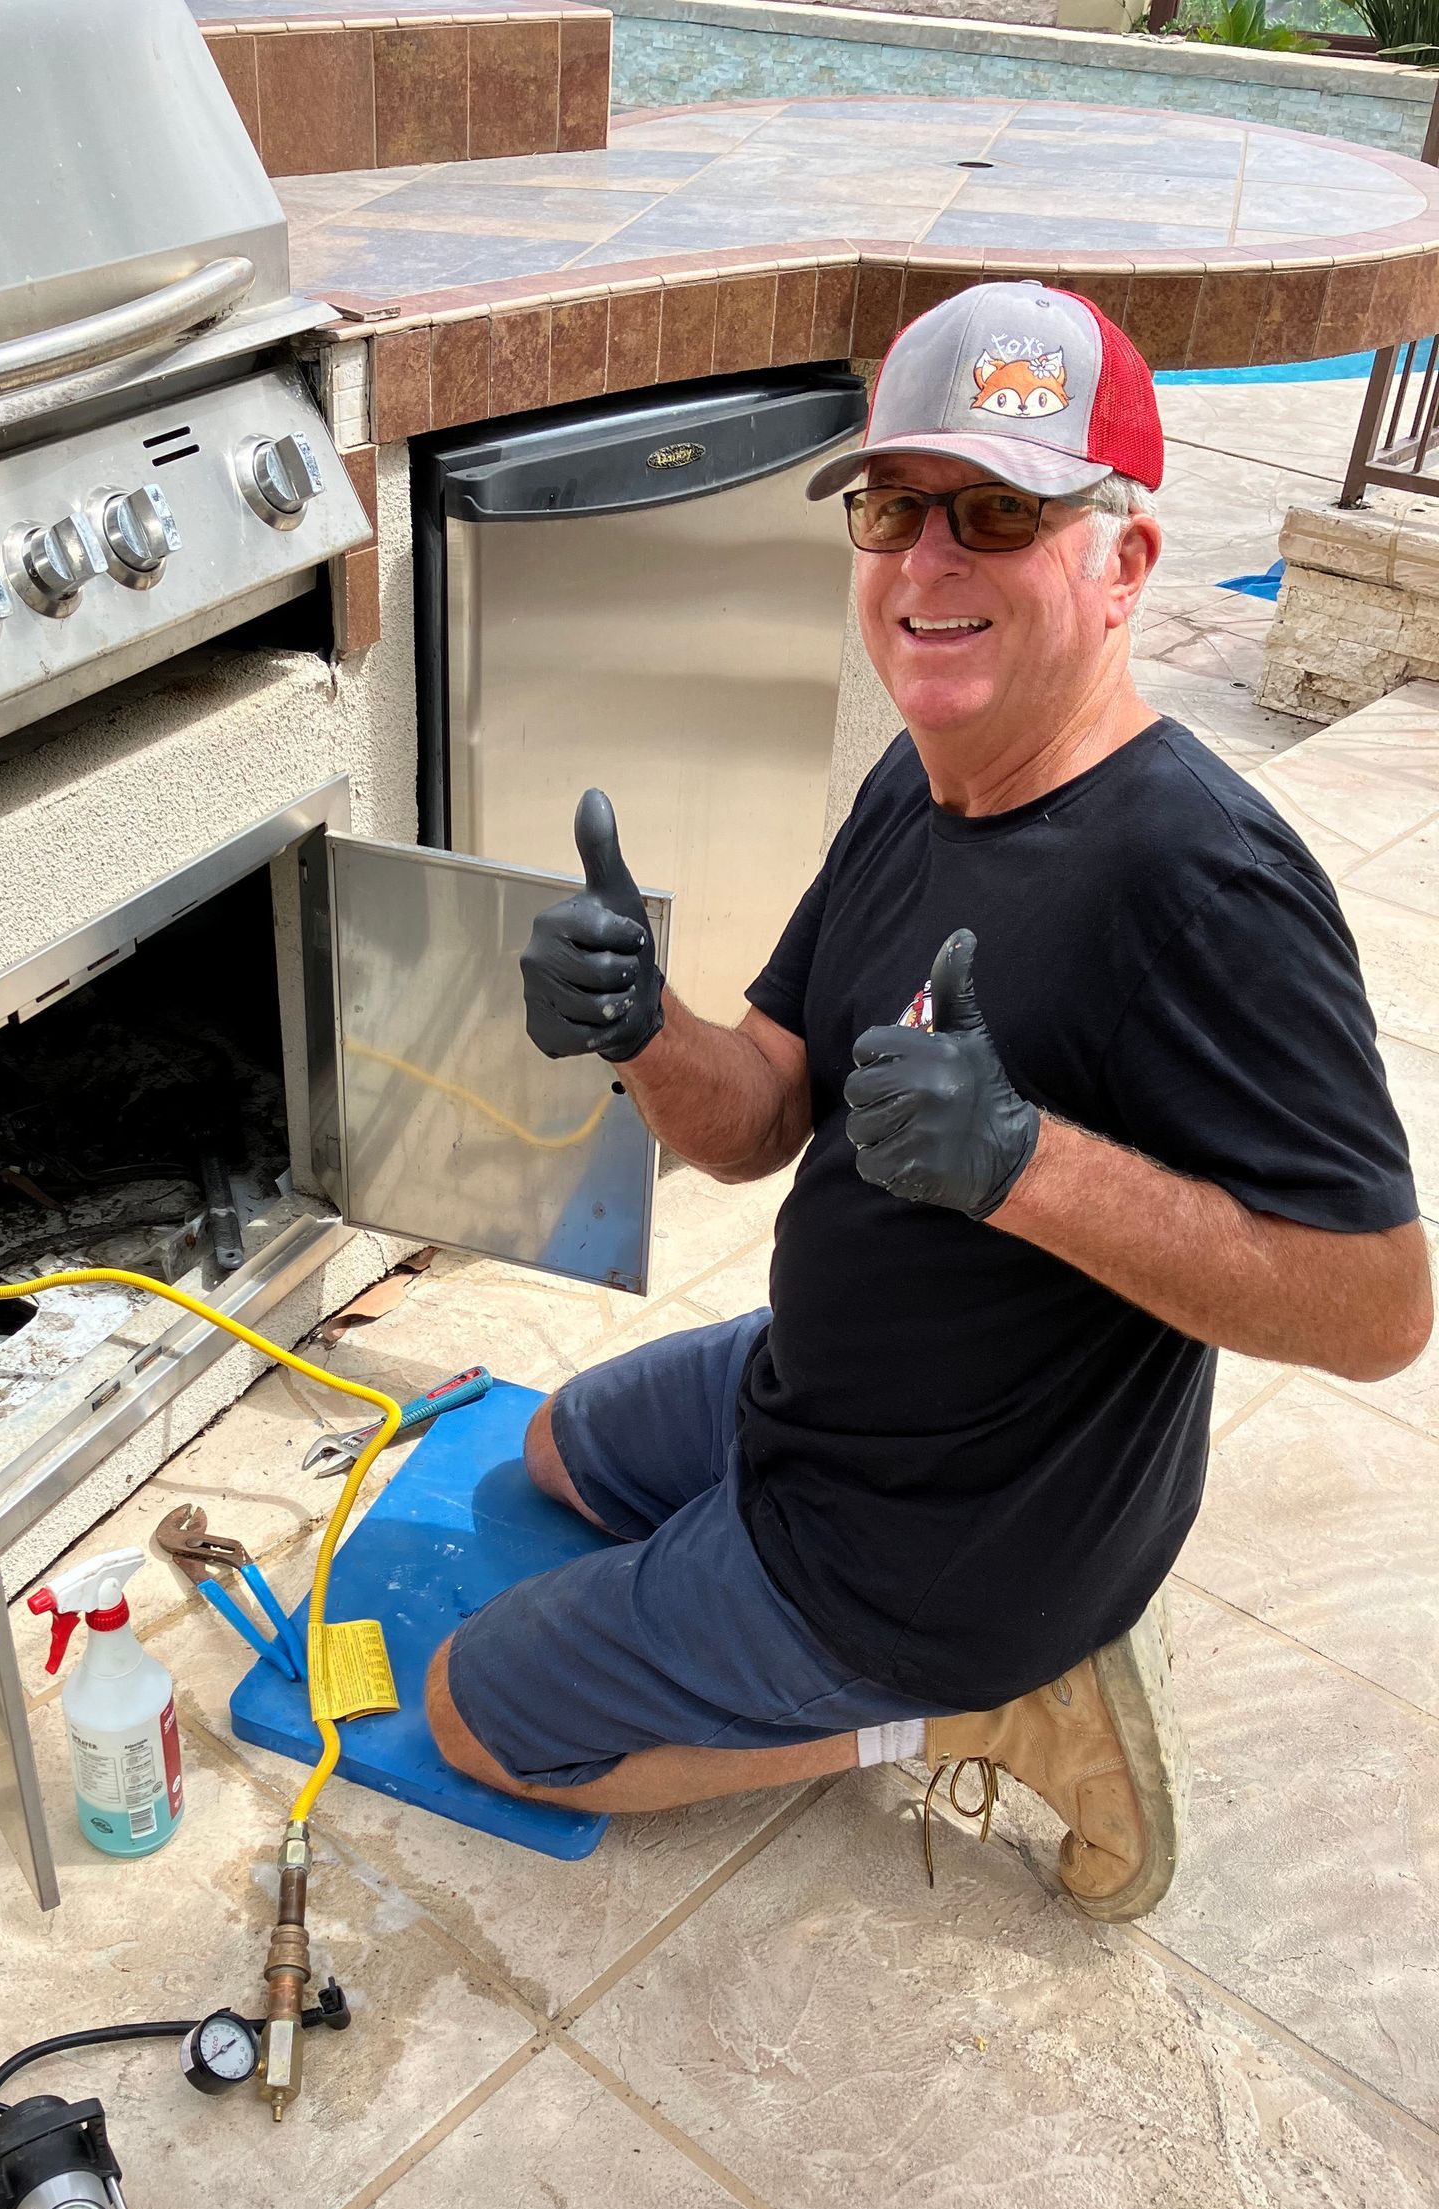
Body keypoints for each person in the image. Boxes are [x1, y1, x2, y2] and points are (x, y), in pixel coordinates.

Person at [423, 278, 1431, 1921]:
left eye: (999, 512)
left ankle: (975, 1702)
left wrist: (1018, 1161)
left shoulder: (1205, 884)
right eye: (895, 507)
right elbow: (754, 1121)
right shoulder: (921, 772)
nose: (925, 562)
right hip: (831, 1394)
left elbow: (1380, 1309)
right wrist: (639, 1023)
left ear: (1125, 563)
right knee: (546, 1454)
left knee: (481, 1716)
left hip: (964, 1539)